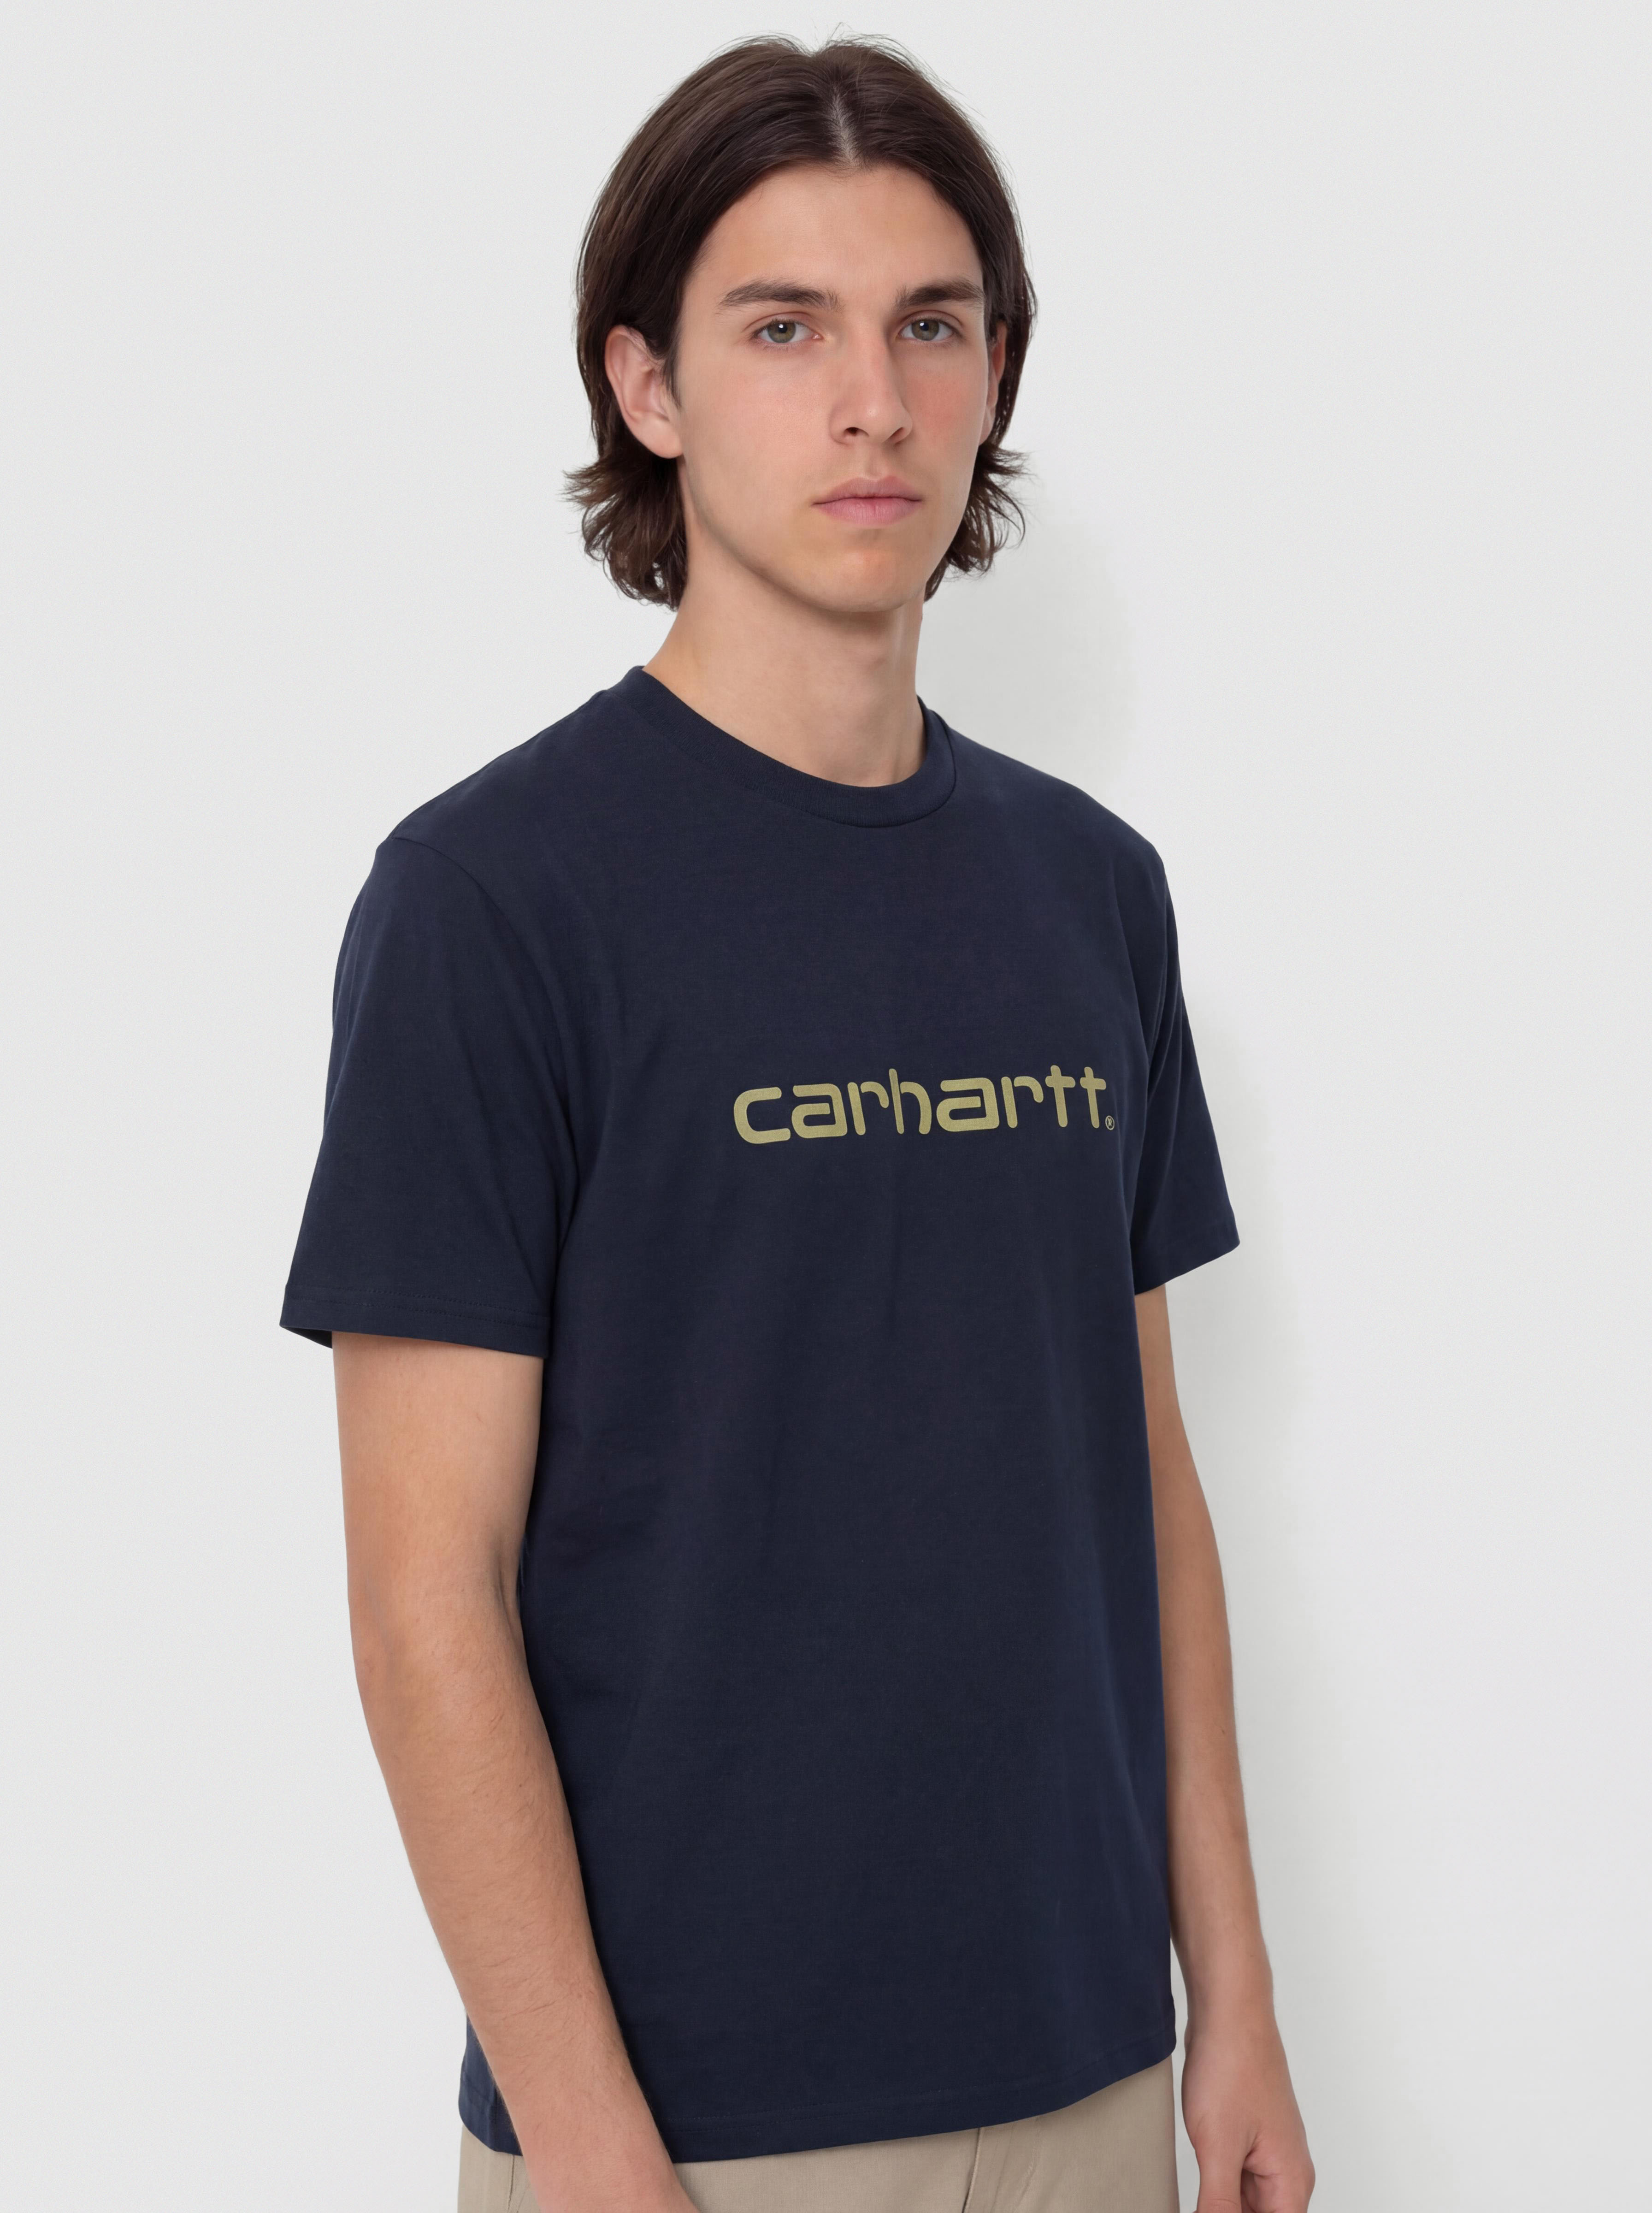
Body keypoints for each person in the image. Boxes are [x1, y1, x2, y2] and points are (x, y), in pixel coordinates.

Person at [281, 34, 1315, 2213]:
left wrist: (1229, 1998)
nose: (873, 403)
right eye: (783, 329)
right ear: (645, 385)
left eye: (930, 325)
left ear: (993, 371)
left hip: (1089, 2072)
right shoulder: (490, 903)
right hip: (691, 2132)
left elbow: (1141, 1484)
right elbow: (421, 1596)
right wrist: (590, 2150)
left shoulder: (1088, 893)